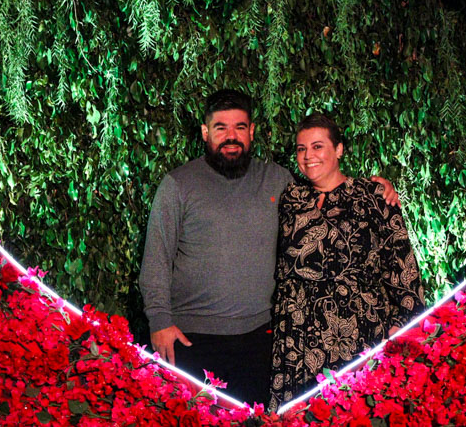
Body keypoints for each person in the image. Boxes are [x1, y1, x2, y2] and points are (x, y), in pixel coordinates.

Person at [140, 91, 398, 405]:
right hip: (192, 337)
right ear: (206, 132)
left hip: (261, 339)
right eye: (221, 128)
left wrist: (372, 189)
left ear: (251, 131)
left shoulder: (277, 180)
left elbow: (325, 192)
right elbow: (156, 259)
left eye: (240, 127)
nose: (231, 136)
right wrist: (160, 321)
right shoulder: (178, 185)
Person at [269, 113, 425, 411]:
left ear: (338, 149)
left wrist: (401, 325)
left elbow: (402, 265)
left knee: (356, 411)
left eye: (317, 146)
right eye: (301, 149)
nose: (308, 156)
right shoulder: (290, 197)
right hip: (298, 335)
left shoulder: (373, 195)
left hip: (358, 329)